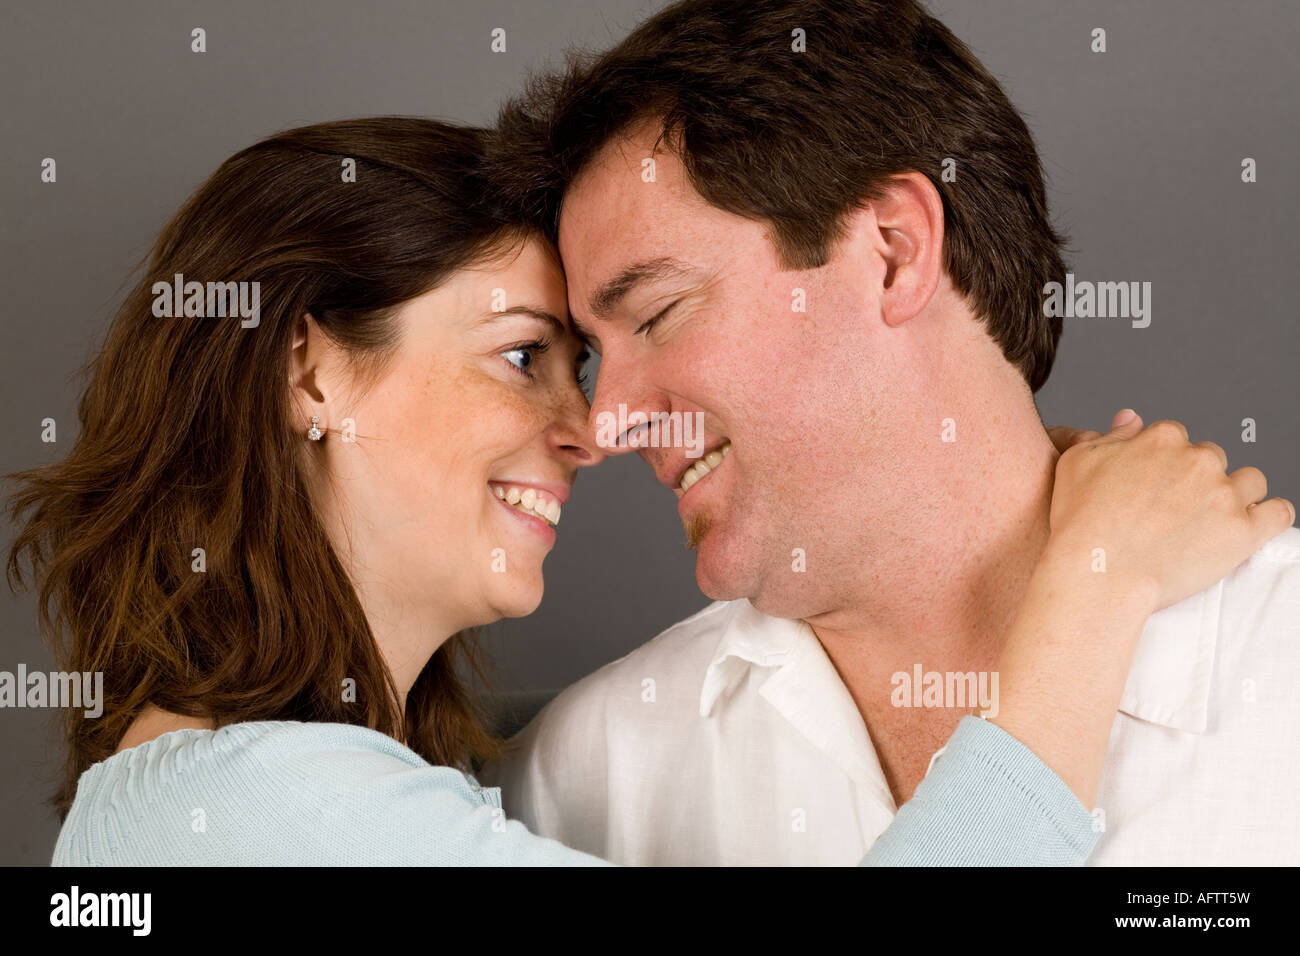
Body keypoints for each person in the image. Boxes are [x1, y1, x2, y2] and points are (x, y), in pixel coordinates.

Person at [6, 118, 1287, 867]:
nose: (593, 430)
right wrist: (1092, 575)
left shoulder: (452, 793)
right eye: (522, 354)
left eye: (592, 360)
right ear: (313, 369)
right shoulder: (243, 814)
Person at [483, 0, 1300, 865]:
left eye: (657, 313)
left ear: (894, 251)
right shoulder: (581, 786)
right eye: (590, 361)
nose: (607, 421)